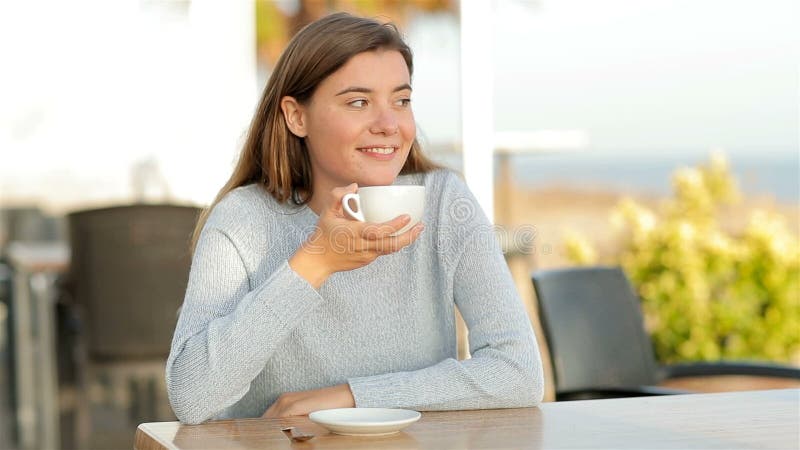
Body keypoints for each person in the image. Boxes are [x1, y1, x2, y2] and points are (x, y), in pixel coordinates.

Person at [166, 12, 544, 425]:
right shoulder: (242, 221)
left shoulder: (443, 202)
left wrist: (352, 397)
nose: (389, 125)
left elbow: (519, 372)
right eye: (358, 102)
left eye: (401, 100)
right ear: (296, 116)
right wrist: (314, 262)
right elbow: (192, 396)